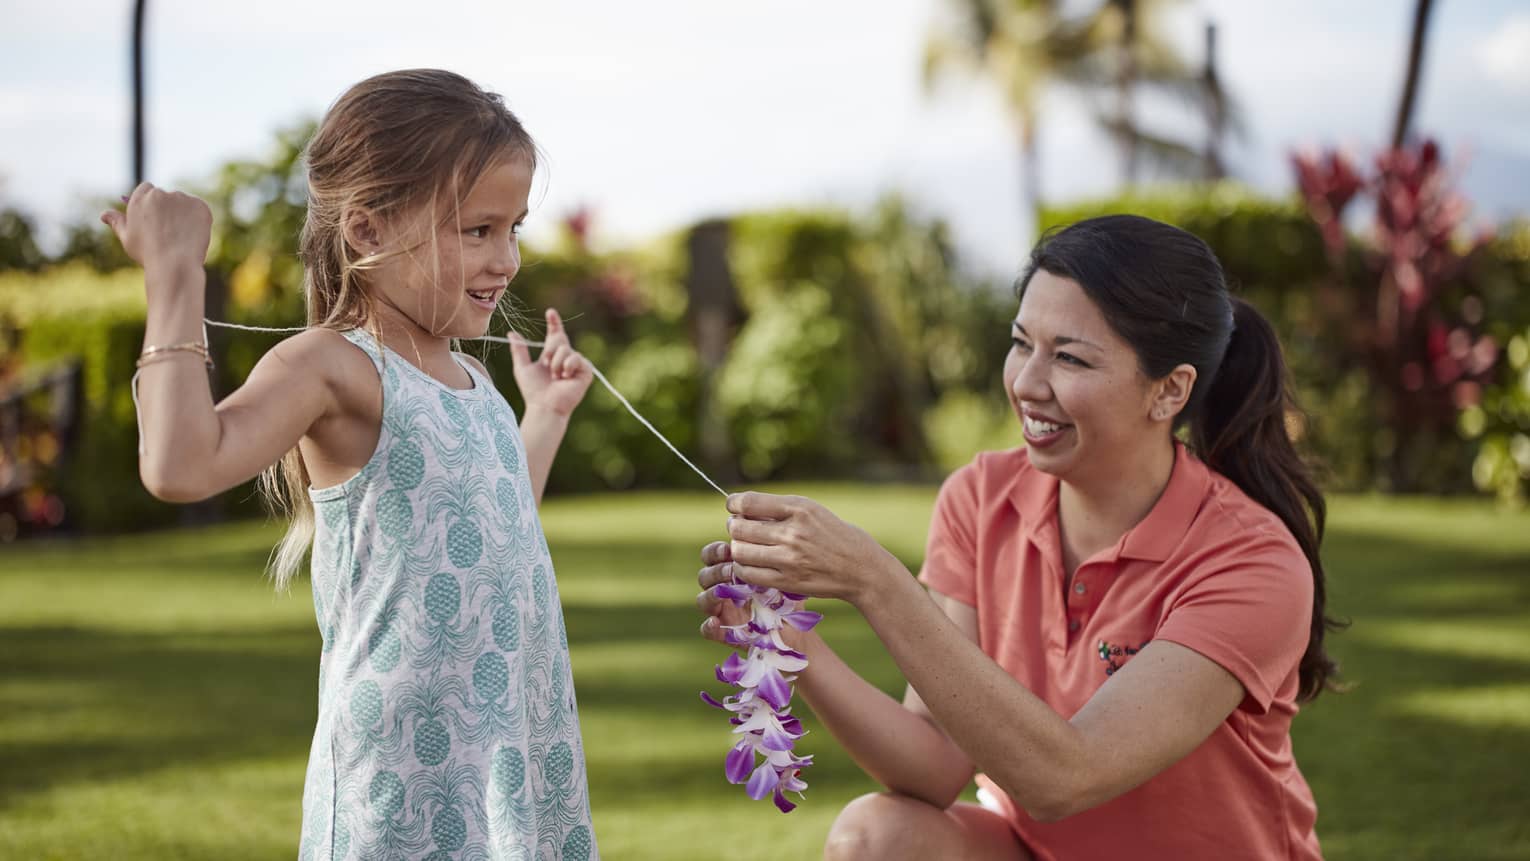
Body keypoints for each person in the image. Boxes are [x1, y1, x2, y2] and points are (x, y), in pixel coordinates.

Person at [696, 214, 1341, 860]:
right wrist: (792, 645)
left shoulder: (1252, 560)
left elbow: (1066, 777)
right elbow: (937, 762)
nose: (1028, 384)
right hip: (1038, 850)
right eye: (1021, 342)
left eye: (1069, 357)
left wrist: (872, 577)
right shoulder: (981, 499)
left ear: (1169, 390)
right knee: (876, 838)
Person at [102, 69, 599, 861]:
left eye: (515, 228)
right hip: (406, 764)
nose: (506, 258)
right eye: (477, 230)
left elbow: (491, 532)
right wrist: (174, 278)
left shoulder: (472, 379)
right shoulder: (331, 365)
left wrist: (542, 418)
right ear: (367, 230)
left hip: (506, 747)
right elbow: (180, 465)